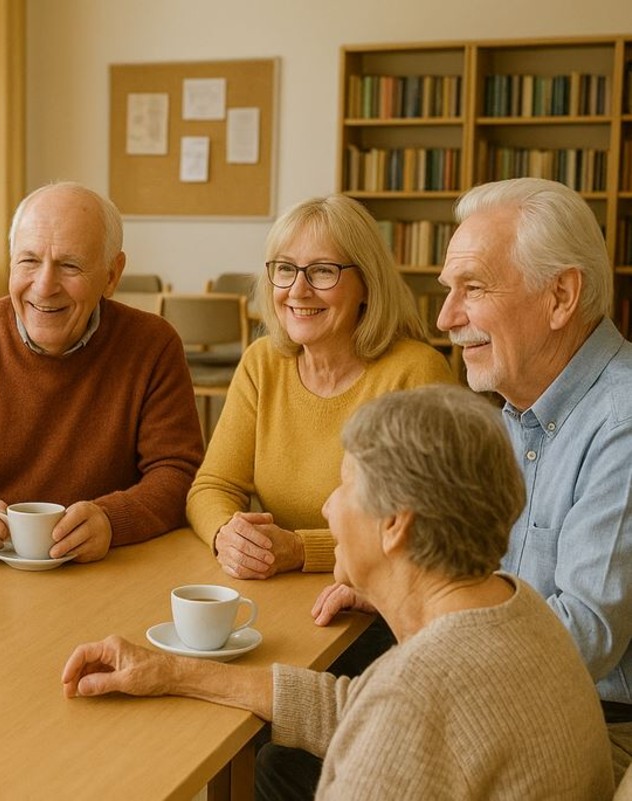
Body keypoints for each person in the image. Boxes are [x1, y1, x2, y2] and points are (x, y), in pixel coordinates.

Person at [63, 385, 614, 800]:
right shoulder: (519, 608)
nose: (328, 506)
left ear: (396, 523)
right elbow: (362, 711)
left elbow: (395, 718)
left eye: (346, 485)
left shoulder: (413, 699)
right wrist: (170, 672)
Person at [314, 177, 632, 792]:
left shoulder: (622, 421)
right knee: (292, 741)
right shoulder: (520, 405)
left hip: (595, 723)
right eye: (448, 290)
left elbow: (586, 637)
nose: (445, 318)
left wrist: (426, 612)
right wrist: (400, 583)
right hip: (510, 684)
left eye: (474, 288)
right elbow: (485, 574)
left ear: (561, 295)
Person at [0, 182, 204, 562]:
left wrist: (113, 521)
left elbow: (180, 474)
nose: (44, 286)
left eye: (70, 265)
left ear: (112, 275)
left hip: (104, 568)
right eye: (29, 261)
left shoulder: (153, 345)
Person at [186, 195, 453, 579]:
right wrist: (228, 534)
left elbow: (430, 523)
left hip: (379, 594)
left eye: (323, 271)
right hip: (279, 586)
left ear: (367, 284)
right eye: (285, 269)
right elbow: (213, 485)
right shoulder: (262, 362)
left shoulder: (416, 373)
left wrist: (301, 549)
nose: (298, 290)